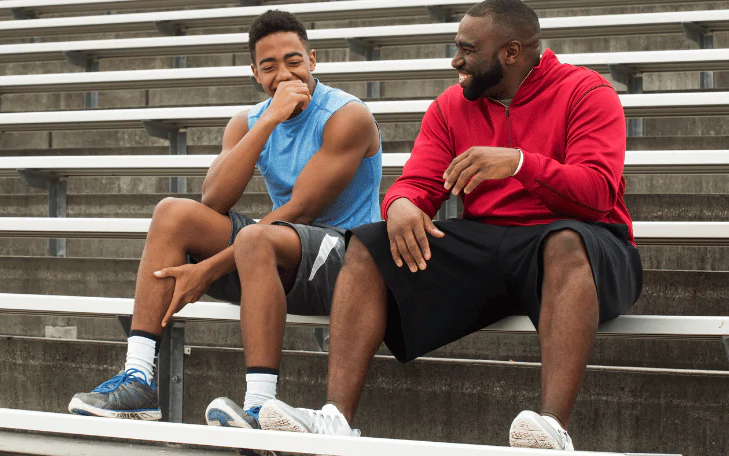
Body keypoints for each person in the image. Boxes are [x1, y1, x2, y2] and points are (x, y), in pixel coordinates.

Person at [258, 0, 642, 451]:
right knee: (366, 244)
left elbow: (597, 192)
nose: (456, 60)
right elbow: (417, 182)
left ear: (511, 53)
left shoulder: (586, 91)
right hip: (492, 244)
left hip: (588, 244)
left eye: (467, 50)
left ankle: (552, 428)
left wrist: (519, 164)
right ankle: (335, 419)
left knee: (564, 241)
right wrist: (401, 204)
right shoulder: (451, 106)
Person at [67, 8, 382, 440]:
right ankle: (138, 379)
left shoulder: (347, 116)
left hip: (348, 265)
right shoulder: (250, 120)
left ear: (313, 59)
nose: (284, 74)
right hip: (279, 253)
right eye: (269, 67)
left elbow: (301, 211)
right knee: (171, 215)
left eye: (293, 61)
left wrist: (210, 268)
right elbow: (214, 199)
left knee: (256, 237)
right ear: (255, 73)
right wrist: (269, 119)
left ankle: (258, 404)